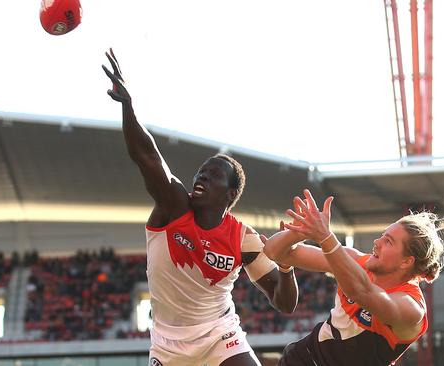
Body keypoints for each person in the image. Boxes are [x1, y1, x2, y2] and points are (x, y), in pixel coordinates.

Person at [102, 49, 298, 366]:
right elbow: (148, 158)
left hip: (220, 335)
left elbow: (284, 302)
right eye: (201, 171)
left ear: (231, 193)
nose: (202, 175)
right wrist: (128, 107)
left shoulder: (242, 239)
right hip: (169, 347)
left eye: (213, 173)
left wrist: (287, 267)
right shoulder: (174, 206)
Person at [263, 189, 444, 366]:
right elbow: (274, 251)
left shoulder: (411, 308)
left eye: (388, 241)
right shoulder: (357, 260)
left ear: (406, 262)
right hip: (302, 359)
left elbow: (361, 292)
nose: (377, 242)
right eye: (382, 236)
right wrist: (300, 231)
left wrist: (325, 237)